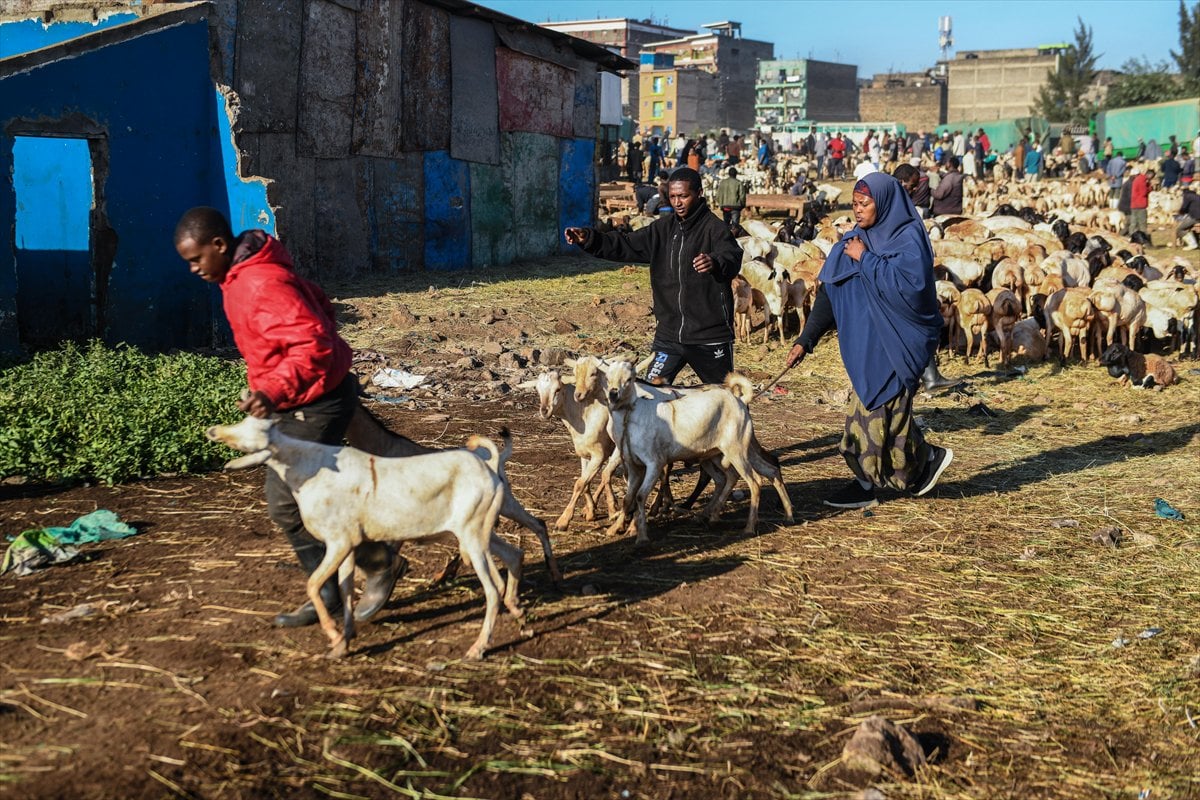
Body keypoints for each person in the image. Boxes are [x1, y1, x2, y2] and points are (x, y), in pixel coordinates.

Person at [174, 207, 403, 628]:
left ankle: (377, 564)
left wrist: (274, 390)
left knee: (289, 503)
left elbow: (313, 344)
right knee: (295, 502)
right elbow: (319, 303)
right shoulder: (239, 276)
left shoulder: (261, 282)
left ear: (219, 246)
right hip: (301, 396)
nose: (193, 268)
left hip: (316, 401)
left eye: (196, 259)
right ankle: (331, 591)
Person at [784, 173, 953, 509]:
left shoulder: (907, 240)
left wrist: (866, 259)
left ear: (885, 203)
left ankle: (864, 486)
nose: (858, 210)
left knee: (866, 419)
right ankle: (925, 462)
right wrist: (806, 339)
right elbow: (830, 293)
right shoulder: (852, 242)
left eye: (864, 204)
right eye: (855, 204)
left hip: (896, 345)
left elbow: (912, 290)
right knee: (891, 421)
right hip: (864, 348)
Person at [564, 167, 743, 385]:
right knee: (650, 393)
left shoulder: (715, 229)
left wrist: (715, 262)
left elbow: (732, 257)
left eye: (683, 196)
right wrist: (589, 239)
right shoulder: (661, 230)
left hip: (709, 337)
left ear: (699, 193)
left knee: (724, 396)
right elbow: (625, 244)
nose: (677, 202)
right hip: (668, 336)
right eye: (673, 196)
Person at [1127, 167, 1153, 239]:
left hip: (1134, 204)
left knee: (1134, 222)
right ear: (1149, 174)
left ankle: (1132, 236)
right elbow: (1143, 193)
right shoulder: (1142, 180)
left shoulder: (1137, 180)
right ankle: (1143, 238)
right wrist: (1149, 188)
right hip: (1140, 204)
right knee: (1142, 223)